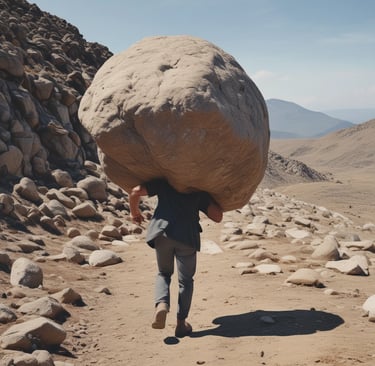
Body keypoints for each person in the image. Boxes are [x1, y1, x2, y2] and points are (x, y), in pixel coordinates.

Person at [129, 178, 223, 338]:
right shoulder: (198, 189)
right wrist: (212, 197)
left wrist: (134, 212)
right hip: (187, 237)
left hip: (162, 233)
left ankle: (162, 304)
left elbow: (135, 191)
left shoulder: (165, 181)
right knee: (186, 281)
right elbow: (217, 216)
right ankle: (181, 324)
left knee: (164, 274)